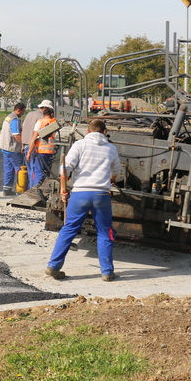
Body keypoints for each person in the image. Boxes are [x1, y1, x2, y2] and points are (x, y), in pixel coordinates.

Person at [45, 118, 121, 281]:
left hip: (80, 193)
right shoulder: (111, 148)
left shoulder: (79, 145)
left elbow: (65, 168)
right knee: (104, 231)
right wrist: (111, 178)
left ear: (87, 132)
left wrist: (64, 189)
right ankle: (107, 272)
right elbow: (116, 170)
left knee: (69, 229)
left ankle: (53, 266)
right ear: (105, 132)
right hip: (101, 195)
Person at [21, 100, 51, 189]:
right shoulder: (42, 117)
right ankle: (34, 192)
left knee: (31, 172)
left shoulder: (29, 114)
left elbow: (24, 128)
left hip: (26, 145)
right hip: (34, 147)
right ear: (45, 108)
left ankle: (29, 190)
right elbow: (37, 135)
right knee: (36, 172)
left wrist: (22, 145)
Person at [0, 103, 25, 196]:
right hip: (13, 148)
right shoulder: (14, 119)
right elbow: (16, 134)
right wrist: (23, 144)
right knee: (20, 170)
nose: (23, 113)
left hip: (5, 147)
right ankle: (21, 190)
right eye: (23, 111)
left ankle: (7, 189)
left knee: (8, 169)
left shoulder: (8, 117)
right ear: (19, 110)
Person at [26, 106, 57, 188]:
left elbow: (34, 138)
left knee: (39, 173)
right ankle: (43, 190)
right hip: (51, 153)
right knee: (47, 173)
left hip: (41, 152)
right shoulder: (55, 122)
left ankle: (35, 191)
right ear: (52, 114)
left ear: (43, 114)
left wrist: (29, 152)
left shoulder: (40, 122)